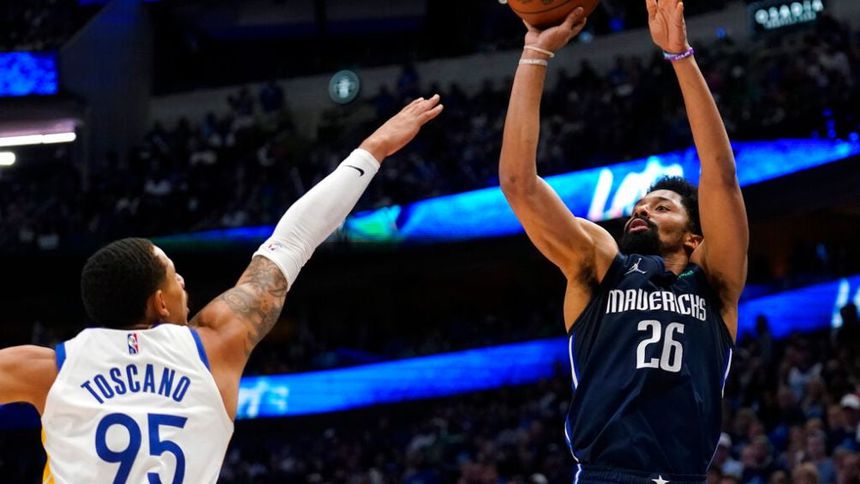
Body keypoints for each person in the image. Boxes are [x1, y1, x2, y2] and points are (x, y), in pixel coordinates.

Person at [0, 95, 443, 483]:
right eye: (173, 274)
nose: (182, 281)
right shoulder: (215, 348)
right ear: (159, 301)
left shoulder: (48, 369)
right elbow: (292, 241)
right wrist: (373, 149)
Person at [499, 1, 747, 482]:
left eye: (661, 207)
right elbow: (518, 183)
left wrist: (680, 55)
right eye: (639, 206)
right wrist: (534, 54)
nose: (641, 210)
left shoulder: (715, 283)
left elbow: (720, 173)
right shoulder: (599, 265)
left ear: (694, 238)